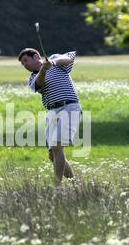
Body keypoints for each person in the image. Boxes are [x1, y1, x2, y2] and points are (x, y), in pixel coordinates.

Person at [18, 48, 82, 186]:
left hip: (69, 107)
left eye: (25, 61)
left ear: (36, 56)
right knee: (52, 155)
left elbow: (70, 58)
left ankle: (57, 186)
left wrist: (52, 62)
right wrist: (44, 69)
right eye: (22, 64)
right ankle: (75, 185)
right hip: (52, 112)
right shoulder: (32, 78)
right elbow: (39, 83)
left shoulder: (56, 59)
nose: (25, 65)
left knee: (57, 146)